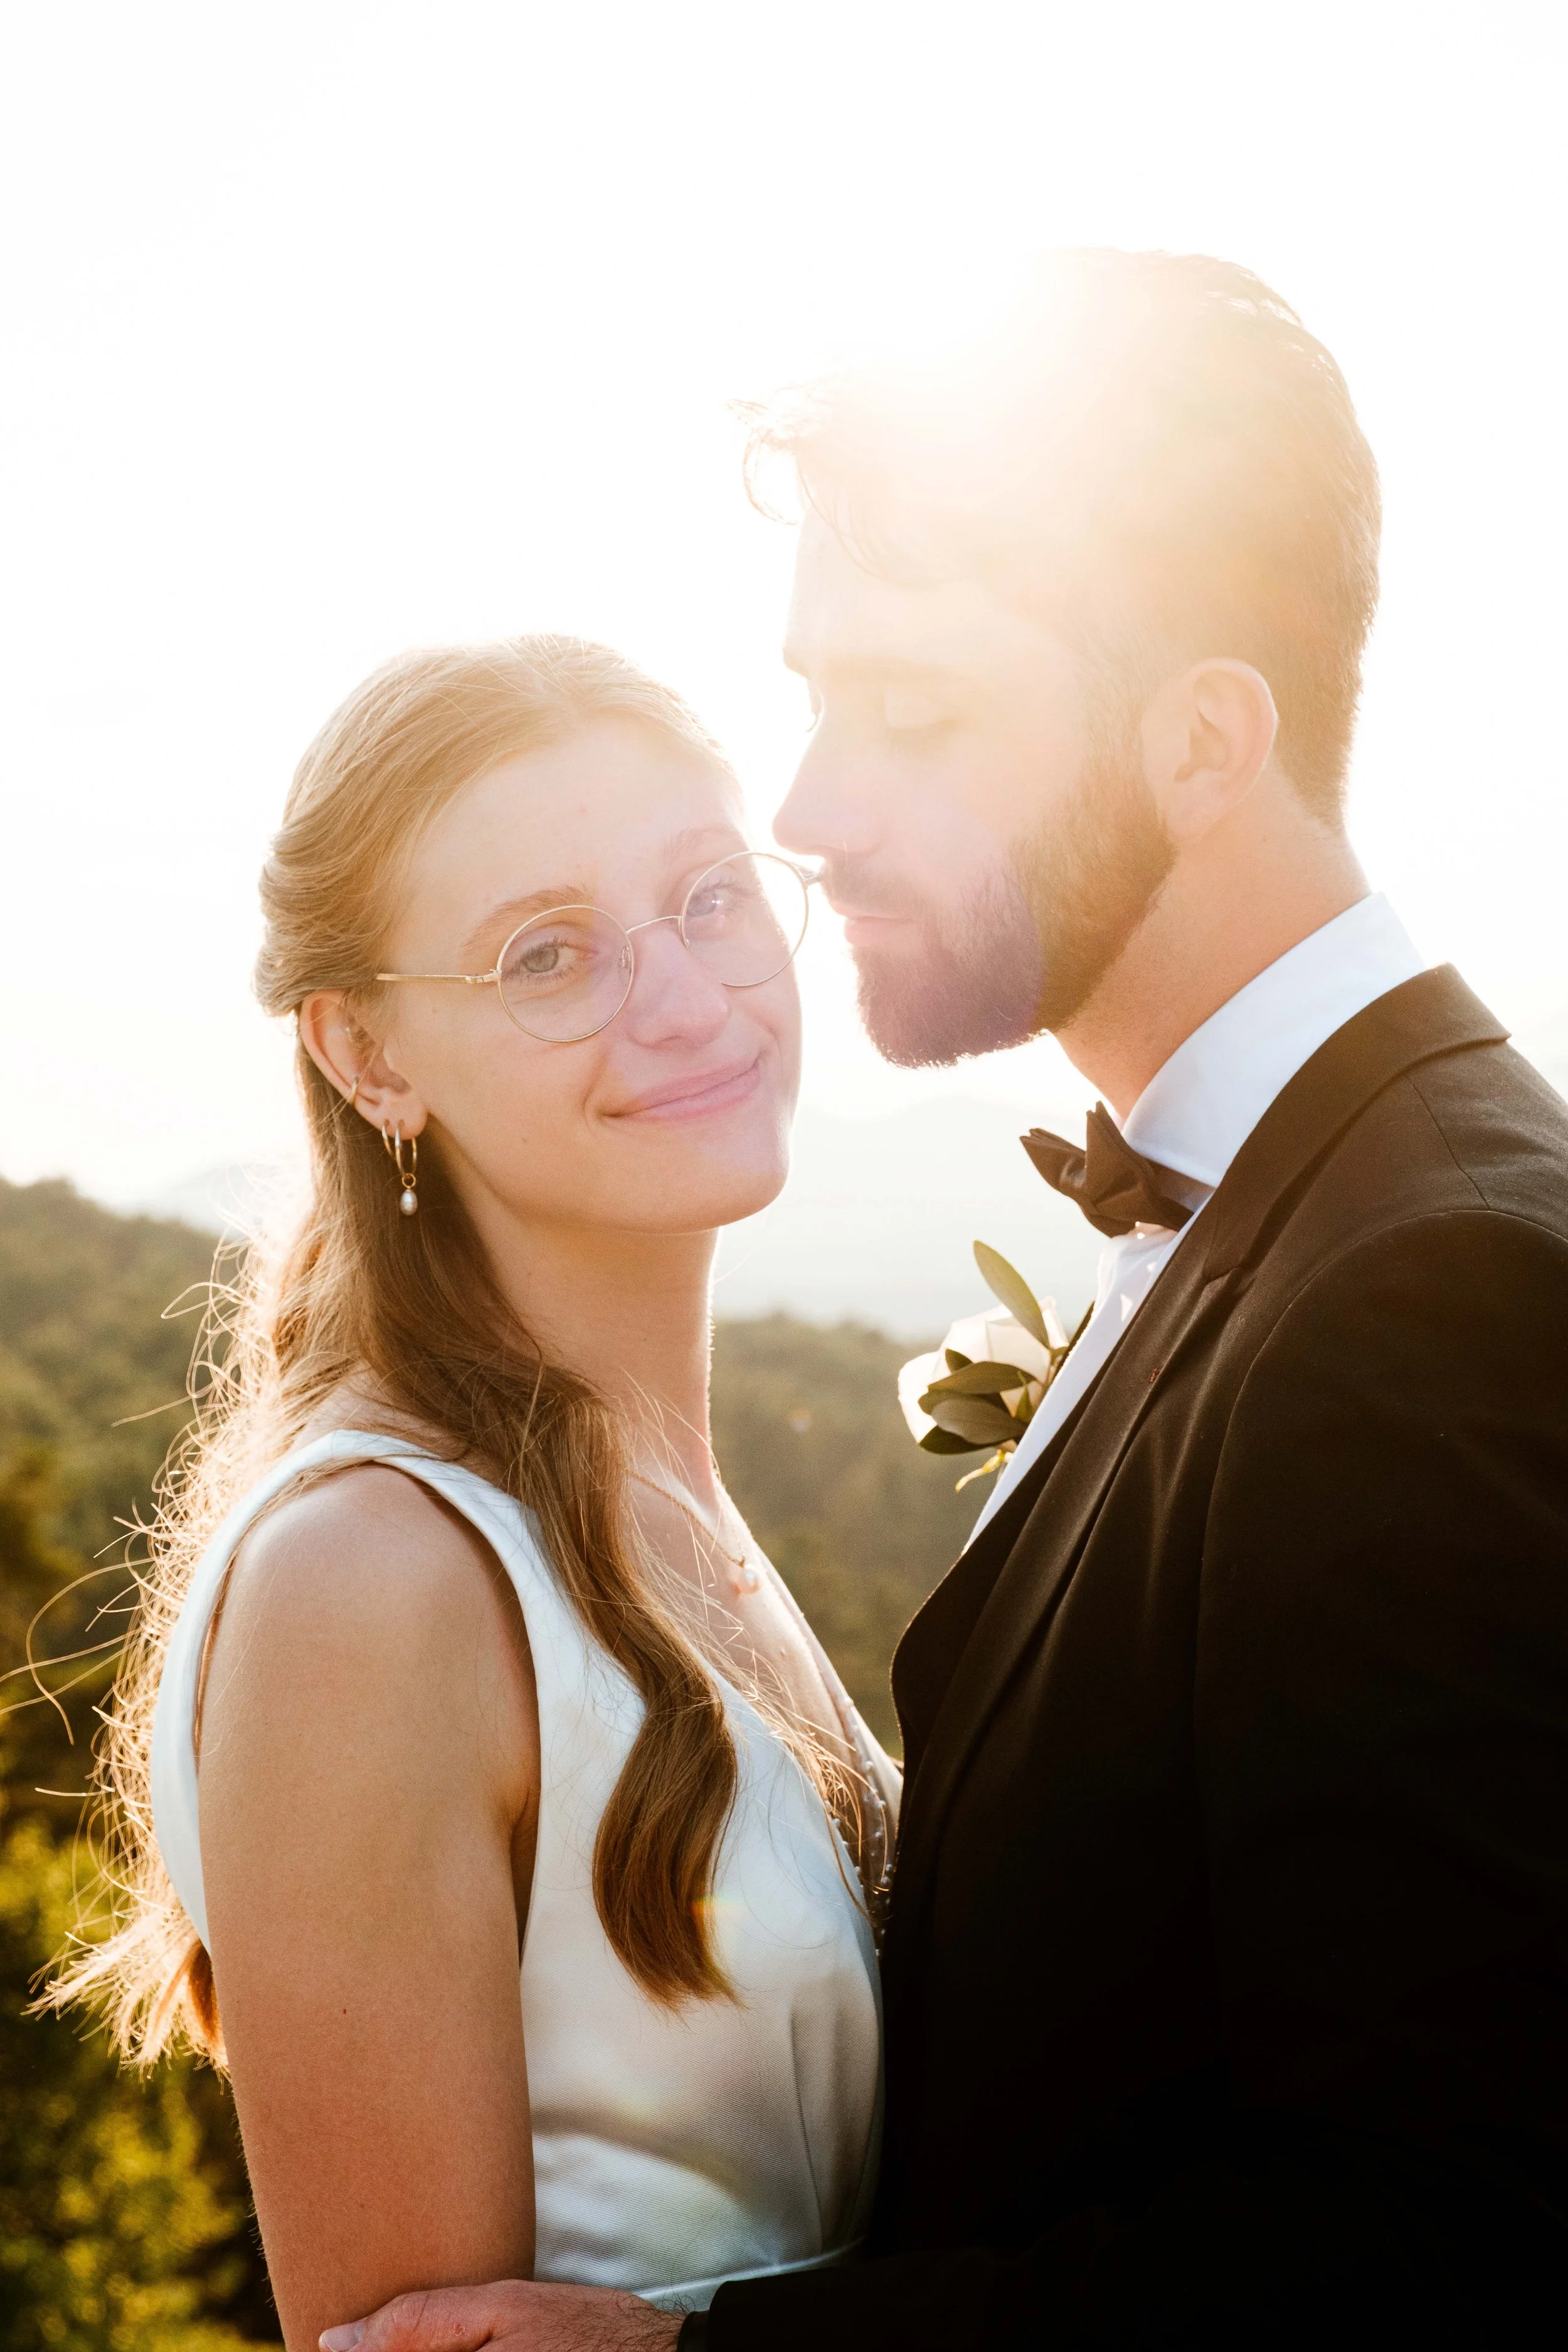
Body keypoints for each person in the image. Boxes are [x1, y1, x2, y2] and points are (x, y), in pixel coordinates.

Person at [337, 254, 1568, 2351]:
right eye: (816, 695)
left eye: (912, 712)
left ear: (1201, 742)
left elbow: (1452, 2248)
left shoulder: (1425, 1286)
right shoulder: (1260, 1220)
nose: (806, 810)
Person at [53, 637, 898, 2351]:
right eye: (547, 954)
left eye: (710, 898)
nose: (683, 998)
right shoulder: (373, 1579)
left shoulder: (672, 1506)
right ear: (365, 1051)